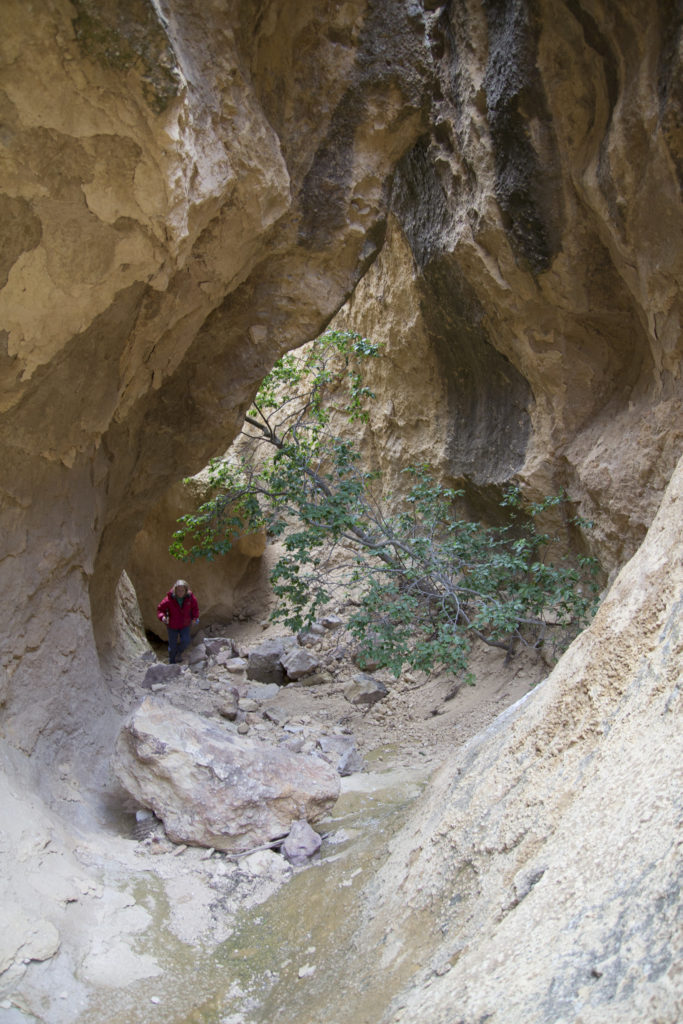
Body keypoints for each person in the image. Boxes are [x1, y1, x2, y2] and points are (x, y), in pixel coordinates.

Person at [157, 579, 199, 664]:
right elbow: (160, 609)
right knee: (172, 646)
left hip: (185, 624)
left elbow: (195, 608)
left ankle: (178, 653)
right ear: (175, 590)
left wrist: (195, 618)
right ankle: (172, 662)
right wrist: (163, 617)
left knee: (186, 641)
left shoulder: (190, 598)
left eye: (182, 590)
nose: (180, 592)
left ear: (186, 590)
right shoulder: (169, 599)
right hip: (172, 625)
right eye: (178, 590)